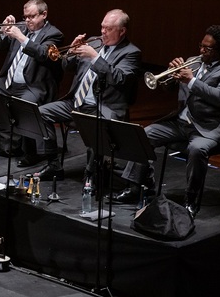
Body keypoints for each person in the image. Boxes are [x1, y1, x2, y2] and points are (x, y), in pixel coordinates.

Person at [114, 25, 220, 218]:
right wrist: (170, 75)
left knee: (197, 150)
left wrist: (191, 81)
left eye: (207, 49)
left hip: (208, 128)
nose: (201, 51)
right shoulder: (193, 61)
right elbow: (168, 89)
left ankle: (191, 200)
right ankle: (137, 186)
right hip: (181, 123)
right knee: (145, 134)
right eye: (201, 45)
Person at [29, 9, 141, 181]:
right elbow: (67, 66)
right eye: (102, 27)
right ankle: (54, 165)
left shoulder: (131, 53)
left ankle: (92, 173)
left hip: (103, 106)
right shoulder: (93, 43)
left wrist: (96, 58)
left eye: (108, 29)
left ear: (122, 31)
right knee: (40, 113)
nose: (103, 32)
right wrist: (72, 51)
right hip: (75, 102)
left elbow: (120, 79)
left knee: (97, 127)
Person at [0, 0, 63, 154]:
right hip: (8, 82)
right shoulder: (21, 28)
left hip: (33, 85)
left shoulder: (53, 34)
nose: (27, 20)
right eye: (25, 17)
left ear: (44, 14)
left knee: (23, 103)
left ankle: (28, 151)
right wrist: (2, 32)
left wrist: (21, 37)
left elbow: (43, 54)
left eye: (32, 16)